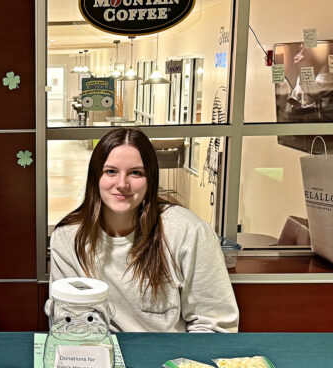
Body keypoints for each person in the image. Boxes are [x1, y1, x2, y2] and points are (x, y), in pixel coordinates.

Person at [49, 128, 238, 333]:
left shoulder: (188, 233)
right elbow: (67, 321)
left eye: (136, 173)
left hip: (170, 359)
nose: (122, 184)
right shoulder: (69, 237)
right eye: (111, 171)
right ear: (95, 177)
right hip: (98, 356)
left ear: (151, 180)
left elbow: (214, 324)